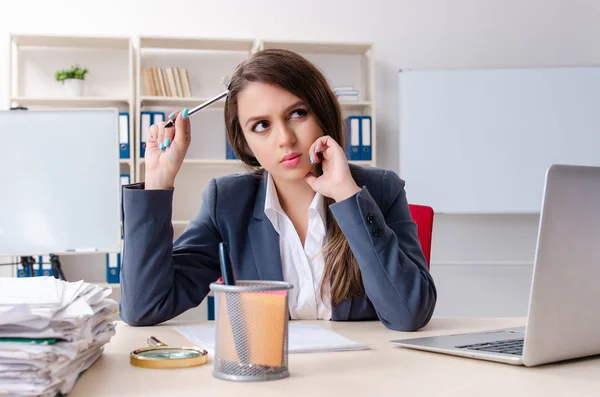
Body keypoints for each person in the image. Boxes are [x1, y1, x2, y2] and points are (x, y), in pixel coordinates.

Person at [119, 49, 437, 331]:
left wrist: (347, 196)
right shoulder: (228, 202)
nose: (284, 137)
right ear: (243, 142)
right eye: (261, 125)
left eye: (297, 113)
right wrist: (158, 182)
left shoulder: (380, 190)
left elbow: (409, 314)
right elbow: (144, 308)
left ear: (322, 113)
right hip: (268, 375)